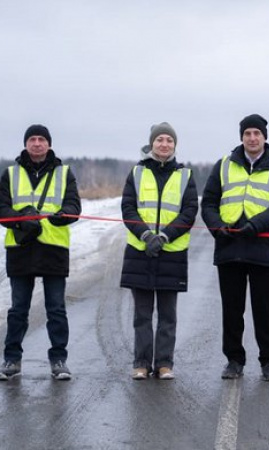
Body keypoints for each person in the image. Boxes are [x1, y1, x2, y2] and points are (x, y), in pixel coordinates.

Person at [201, 114, 269, 382]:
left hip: (263, 246)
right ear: (241, 137)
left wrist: (256, 224)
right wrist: (216, 227)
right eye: (247, 134)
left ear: (265, 136)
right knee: (232, 309)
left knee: (265, 309)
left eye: (257, 133)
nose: (252, 138)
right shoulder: (223, 165)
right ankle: (234, 360)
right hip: (229, 247)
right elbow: (208, 202)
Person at [0, 124, 81, 381]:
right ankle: (12, 360)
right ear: (26, 144)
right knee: (18, 309)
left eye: (42, 139)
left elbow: (74, 206)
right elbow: (1, 209)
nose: (37, 143)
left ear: (49, 144)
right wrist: (20, 219)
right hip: (21, 248)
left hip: (53, 249)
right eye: (32, 139)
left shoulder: (65, 174)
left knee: (56, 309)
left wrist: (61, 217)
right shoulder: (10, 173)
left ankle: (59, 360)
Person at [120, 122, 198, 380]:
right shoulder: (136, 172)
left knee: (168, 315)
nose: (164, 144)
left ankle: (164, 363)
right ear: (151, 143)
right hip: (140, 251)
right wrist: (145, 234)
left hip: (171, 253)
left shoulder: (185, 175)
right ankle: (141, 362)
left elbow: (189, 212)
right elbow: (128, 208)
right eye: (159, 140)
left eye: (169, 140)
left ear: (175, 145)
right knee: (142, 314)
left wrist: (164, 236)